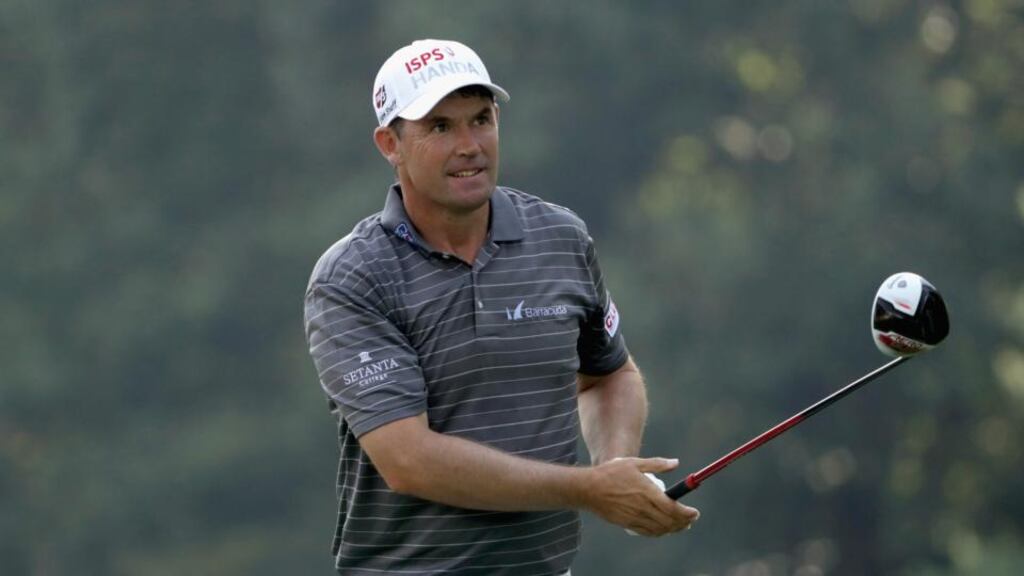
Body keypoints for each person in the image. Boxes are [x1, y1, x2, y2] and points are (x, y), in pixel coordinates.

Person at [304, 38, 699, 575]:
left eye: (481, 119)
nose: (470, 144)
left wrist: (617, 470)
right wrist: (589, 489)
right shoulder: (354, 276)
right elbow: (409, 461)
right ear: (389, 144)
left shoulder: (560, 237)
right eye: (440, 127)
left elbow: (609, 375)